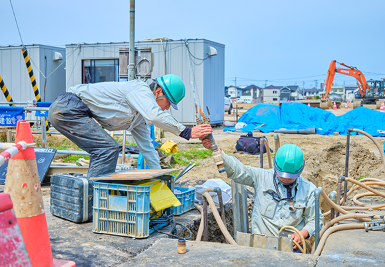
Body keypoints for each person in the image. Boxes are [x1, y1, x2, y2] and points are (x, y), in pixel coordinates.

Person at [49, 74, 212, 177]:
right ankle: (95, 199)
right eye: (168, 103)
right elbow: (154, 114)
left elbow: (148, 149)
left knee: (104, 150)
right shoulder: (139, 89)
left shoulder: (138, 117)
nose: (167, 108)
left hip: (74, 111)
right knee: (108, 149)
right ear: (158, 92)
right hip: (69, 106)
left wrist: (159, 177)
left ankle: (93, 196)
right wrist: (186, 132)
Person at [201, 140, 322, 251]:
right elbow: (238, 170)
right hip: (260, 248)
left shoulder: (309, 189)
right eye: (282, 175)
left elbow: (315, 219)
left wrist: (304, 233)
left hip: (292, 249)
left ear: (300, 170)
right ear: (275, 166)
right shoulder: (261, 177)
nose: (285, 179)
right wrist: (217, 151)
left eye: (290, 177)